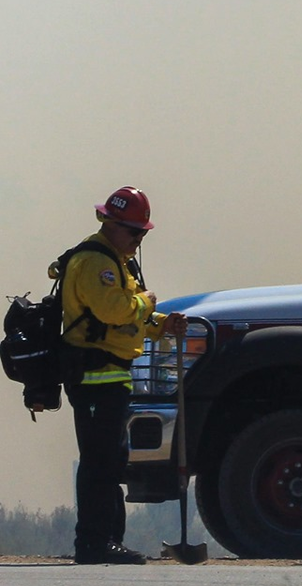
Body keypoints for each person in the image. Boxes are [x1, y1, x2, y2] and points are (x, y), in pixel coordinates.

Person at [57, 186, 185, 566]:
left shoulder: (115, 261)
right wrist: (148, 302)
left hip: (113, 376)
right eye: (135, 233)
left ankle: (108, 540)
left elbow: (131, 316)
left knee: (111, 460)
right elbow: (116, 310)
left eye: (142, 234)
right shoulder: (97, 263)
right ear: (111, 224)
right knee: (100, 461)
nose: (139, 240)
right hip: (96, 375)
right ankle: (94, 543)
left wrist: (162, 325)